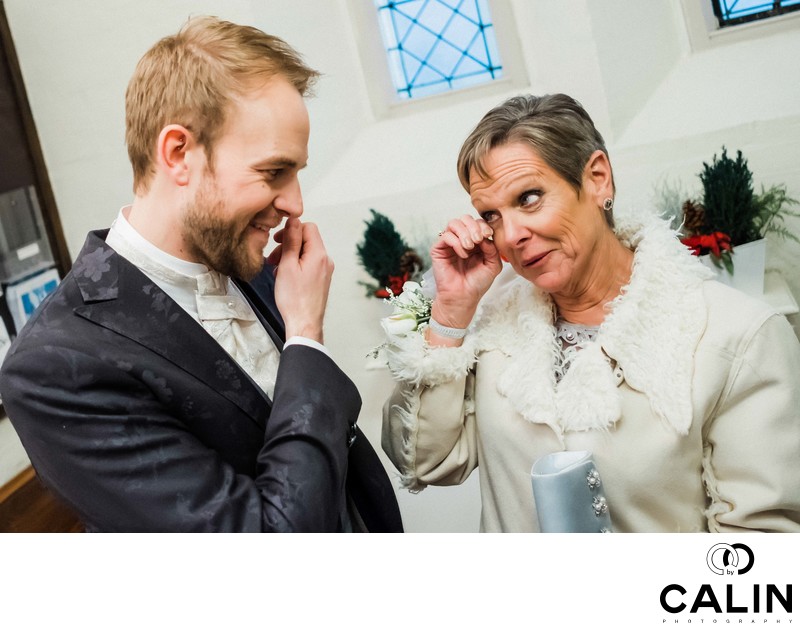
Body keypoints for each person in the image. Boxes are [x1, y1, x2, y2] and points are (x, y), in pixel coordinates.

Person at [0, 16, 402, 533]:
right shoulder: (54, 367)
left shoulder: (250, 268)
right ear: (178, 154)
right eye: (273, 171)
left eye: (297, 172)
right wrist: (305, 340)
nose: (295, 202)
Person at [380, 93, 800, 532]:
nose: (511, 236)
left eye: (528, 198)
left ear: (598, 179)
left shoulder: (738, 335)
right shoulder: (491, 326)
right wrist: (451, 311)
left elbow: (760, 544)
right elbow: (425, 463)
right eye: (491, 216)